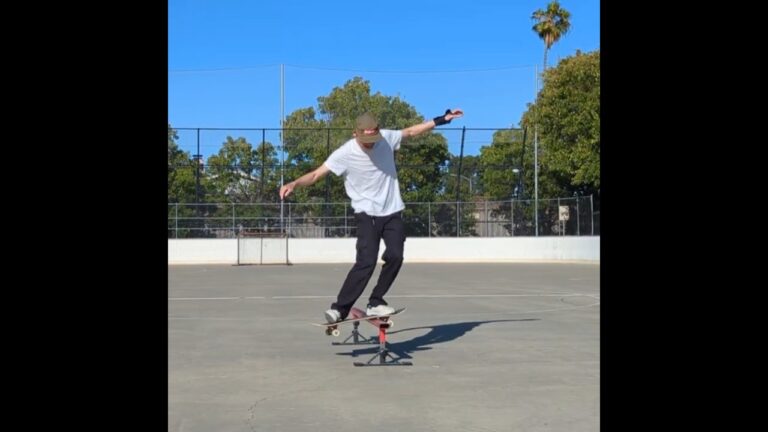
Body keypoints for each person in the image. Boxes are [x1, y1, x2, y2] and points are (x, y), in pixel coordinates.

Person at [279, 108, 464, 323]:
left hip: (392, 210)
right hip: (366, 214)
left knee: (395, 256)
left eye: (374, 140)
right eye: (367, 141)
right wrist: (294, 183)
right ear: (355, 134)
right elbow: (316, 174)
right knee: (366, 262)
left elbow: (412, 131)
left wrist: (443, 119)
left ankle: (376, 302)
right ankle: (340, 308)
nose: (372, 144)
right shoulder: (345, 153)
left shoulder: (385, 138)